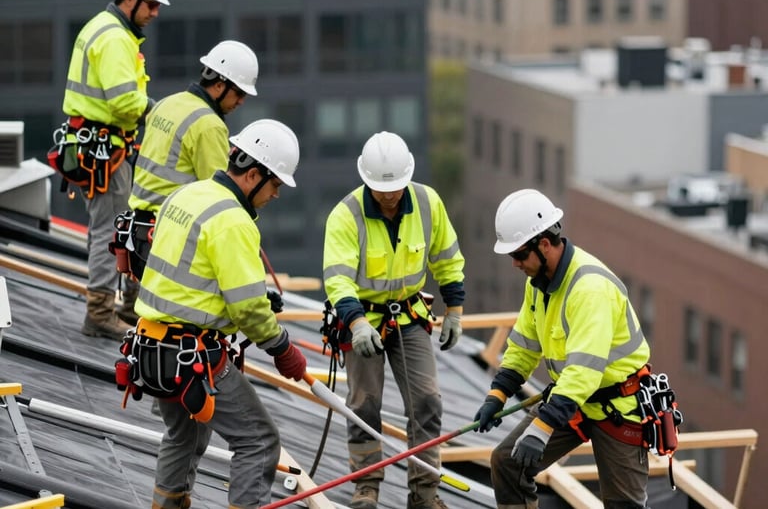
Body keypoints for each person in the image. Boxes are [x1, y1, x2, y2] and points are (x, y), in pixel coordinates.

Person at [133, 119, 307, 509]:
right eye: (275, 184)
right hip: (191, 355)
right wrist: (281, 347)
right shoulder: (234, 220)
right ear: (253, 175)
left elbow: (190, 272)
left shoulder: (186, 195)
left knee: (186, 437)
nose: (276, 195)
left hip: (152, 348)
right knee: (260, 442)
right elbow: (246, 306)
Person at [473, 189, 652, 509]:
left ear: (544, 244)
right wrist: (497, 395)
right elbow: (524, 346)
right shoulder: (537, 283)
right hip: (573, 402)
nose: (515, 264)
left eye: (519, 255)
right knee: (508, 463)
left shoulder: (589, 288)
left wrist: (541, 430)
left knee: (623, 505)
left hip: (618, 406)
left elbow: (583, 372)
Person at [322, 131, 465, 509]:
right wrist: (355, 323)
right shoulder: (346, 215)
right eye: (381, 189)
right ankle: (366, 485)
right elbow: (337, 278)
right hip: (363, 318)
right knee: (364, 403)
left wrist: (454, 310)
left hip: (408, 314)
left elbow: (447, 258)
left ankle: (424, 493)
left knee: (427, 401)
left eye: (395, 188)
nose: (389, 196)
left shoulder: (426, 202)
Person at [59, 0, 169, 339]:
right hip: (105, 148)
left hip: (101, 145)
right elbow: (123, 102)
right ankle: (100, 313)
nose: (155, 12)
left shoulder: (105, 29)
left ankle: (121, 306)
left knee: (114, 227)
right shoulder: (114, 38)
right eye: (151, 4)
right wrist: (157, 111)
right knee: (110, 230)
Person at [117, 40, 259, 287]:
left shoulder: (167, 103)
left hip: (137, 234)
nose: (241, 102)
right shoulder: (209, 124)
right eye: (239, 93)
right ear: (219, 85)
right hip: (168, 240)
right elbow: (220, 198)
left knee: (141, 317)